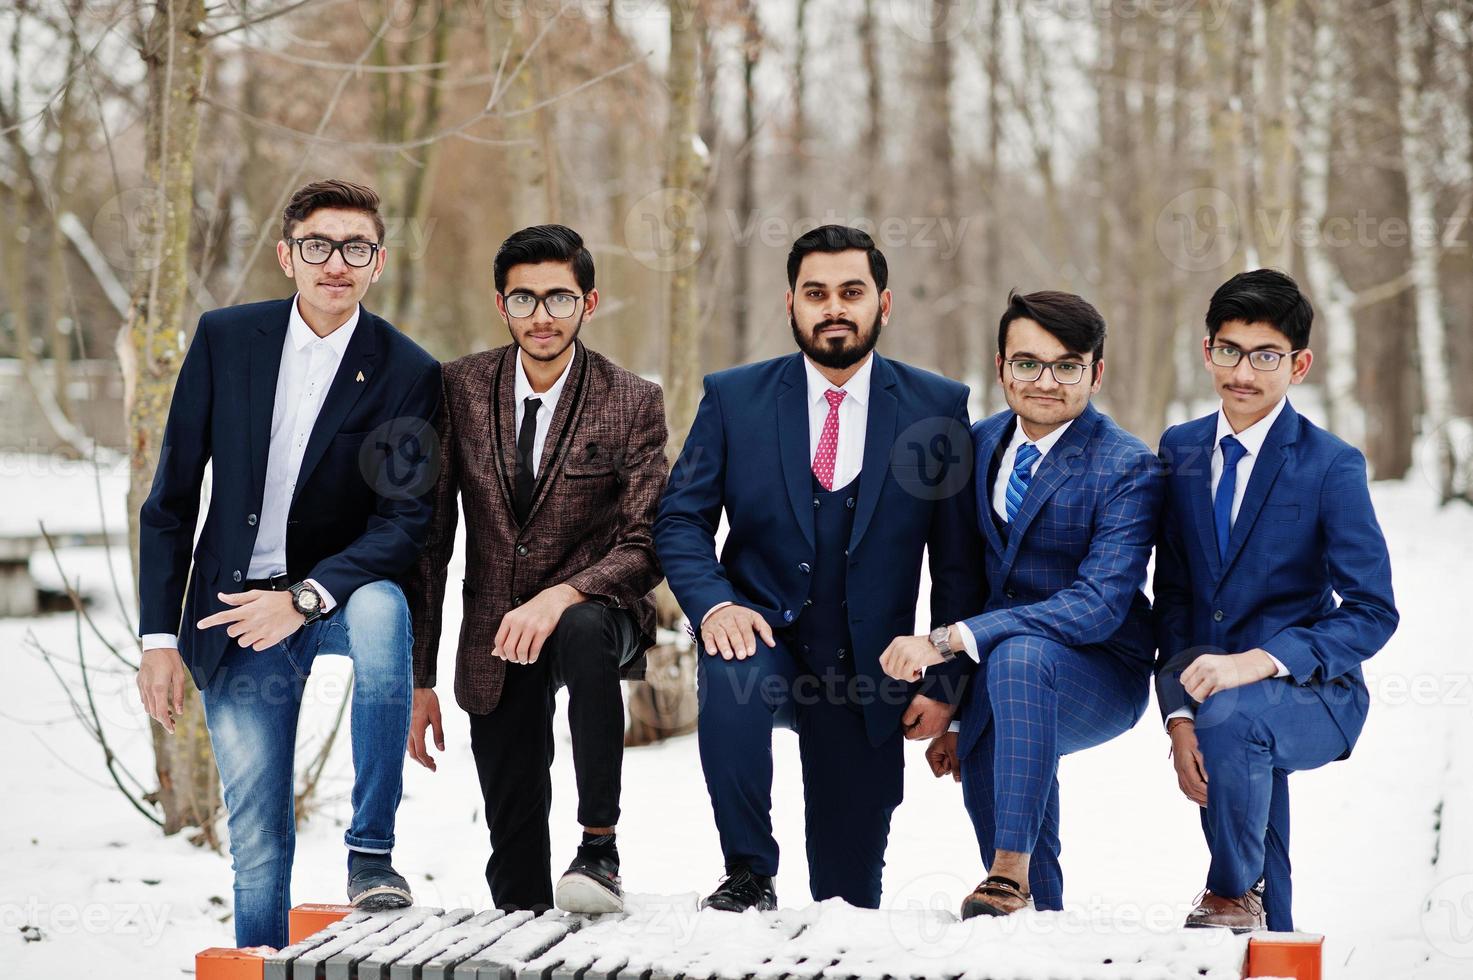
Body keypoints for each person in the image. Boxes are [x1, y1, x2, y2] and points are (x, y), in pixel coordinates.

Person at [135, 179, 441, 948]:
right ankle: (260, 960)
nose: (335, 263)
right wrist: (158, 640)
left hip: (331, 601)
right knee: (261, 841)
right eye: (318, 246)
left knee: (383, 609)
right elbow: (171, 498)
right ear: (286, 255)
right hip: (233, 614)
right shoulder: (225, 339)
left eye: (355, 248)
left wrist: (305, 597)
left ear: (377, 262)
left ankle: (371, 853)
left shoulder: (408, 371)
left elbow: (405, 522)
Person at [656, 224, 983, 912]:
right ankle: (747, 869)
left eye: (850, 292)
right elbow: (681, 519)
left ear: (882, 305)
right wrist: (715, 605)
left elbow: (956, 565)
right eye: (816, 293)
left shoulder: (937, 407)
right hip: (762, 639)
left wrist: (945, 680)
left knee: (848, 897)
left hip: (868, 672)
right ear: (791, 305)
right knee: (730, 668)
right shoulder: (733, 398)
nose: (833, 307)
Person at [406, 225, 667, 914]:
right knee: (513, 843)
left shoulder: (630, 400)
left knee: (580, 630)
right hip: (495, 631)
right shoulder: (458, 388)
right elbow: (432, 541)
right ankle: (521, 934)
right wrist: (419, 676)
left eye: (558, 297)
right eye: (524, 299)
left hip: (597, 613)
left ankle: (599, 848)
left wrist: (563, 594)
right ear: (501, 305)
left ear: (589, 301)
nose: (542, 315)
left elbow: (645, 545)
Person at [881, 290, 1162, 919]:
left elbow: (1097, 603)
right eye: (1028, 363)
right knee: (1014, 893)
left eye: (1067, 365)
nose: (1045, 381)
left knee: (1020, 661)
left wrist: (951, 641)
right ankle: (1026, 901)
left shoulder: (1128, 466)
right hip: (991, 670)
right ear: (1002, 366)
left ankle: (1009, 869)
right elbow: (958, 575)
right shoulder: (973, 447)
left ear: (1097, 371)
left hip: (1098, 669)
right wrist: (952, 705)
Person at [1153, 269, 1398, 932]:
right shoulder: (1177, 452)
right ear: (1207, 352)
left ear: (1299, 364)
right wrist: (1176, 716)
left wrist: (1261, 660)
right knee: (1231, 743)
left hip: (1316, 691)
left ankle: (1229, 891)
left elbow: (1373, 610)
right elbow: (1173, 595)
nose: (1243, 371)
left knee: (1233, 719)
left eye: (1265, 356)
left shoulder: (1329, 464)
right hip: (1209, 698)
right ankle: (1267, 934)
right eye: (1228, 350)